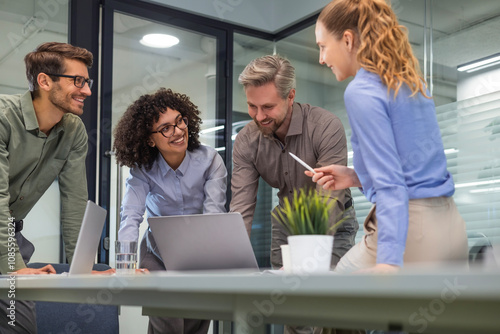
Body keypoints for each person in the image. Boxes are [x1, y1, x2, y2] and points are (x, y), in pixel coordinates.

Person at [311, 0, 468, 274]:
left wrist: (388, 262)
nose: (321, 59)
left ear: (347, 40)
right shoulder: (410, 82)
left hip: (412, 232)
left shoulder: (360, 91)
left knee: (332, 299)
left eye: (323, 47)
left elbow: (392, 185)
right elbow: (413, 167)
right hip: (452, 229)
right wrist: (355, 176)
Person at [230, 55, 359, 334]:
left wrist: (308, 256)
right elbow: (241, 208)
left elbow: (328, 199)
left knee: (334, 311)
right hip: (286, 223)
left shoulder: (325, 126)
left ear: (290, 96)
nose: (259, 116)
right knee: (295, 310)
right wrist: (230, 261)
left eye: (268, 107)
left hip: (332, 222)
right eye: (252, 106)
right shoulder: (246, 141)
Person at [114, 87, 227, 334]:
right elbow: (131, 216)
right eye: (166, 128)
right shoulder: (143, 170)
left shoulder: (210, 161)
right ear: (149, 139)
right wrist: (124, 265)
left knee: (195, 327)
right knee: (169, 327)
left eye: (180, 121)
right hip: (158, 256)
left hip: (200, 255)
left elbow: (213, 215)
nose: (178, 131)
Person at [0, 42, 93, 333]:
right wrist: (14, 267)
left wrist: (83, 269)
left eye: (87, 82)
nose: (86, 91)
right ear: (44, 80)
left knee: (19, 326)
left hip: (8, 236)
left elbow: (75, 200)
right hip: (6, 243)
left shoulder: (73, 131)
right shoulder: (4, 118)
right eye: (77, 81)